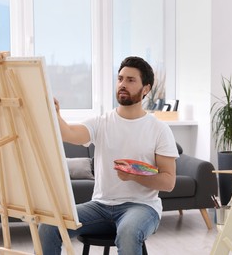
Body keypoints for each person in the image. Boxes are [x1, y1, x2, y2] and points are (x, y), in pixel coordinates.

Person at [38, 56, 179, 254]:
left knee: (128, 232)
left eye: (130, 80)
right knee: (49, 226)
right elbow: (69, 133)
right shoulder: (102, 122)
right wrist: (55, 115)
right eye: (120, 78)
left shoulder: (159, 129)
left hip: (142, 207)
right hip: (100, 206)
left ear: (146, 89)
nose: (122, 84)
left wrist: (133, 175)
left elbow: (168, 182)